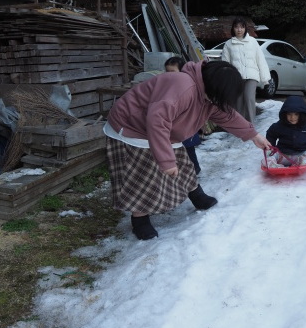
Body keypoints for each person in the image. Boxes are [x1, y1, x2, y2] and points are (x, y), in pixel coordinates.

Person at [105, 60, 272, 240]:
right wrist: (166, 161)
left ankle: (196, 194)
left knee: (183, 163)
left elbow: (226, 114)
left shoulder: (208, 94)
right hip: (133, 126)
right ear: (214, 86)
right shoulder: (182, 86)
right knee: (143, 174)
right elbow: (157, 120)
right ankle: (140, 219)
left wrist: (253, 135)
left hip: (166, 130)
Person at [220, 16, 271, 123]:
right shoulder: (228, 44)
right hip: (236, 78)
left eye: (241, 27)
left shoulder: (252, 42)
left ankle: (251, 125)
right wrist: (226, 80)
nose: (239, 30)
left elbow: (260, 60)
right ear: (233, 29)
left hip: (252, 76)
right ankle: (240, 126)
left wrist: (265, 78)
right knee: (238, 102)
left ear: (245, 28)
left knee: (249, 98)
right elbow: (225, 64)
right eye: (236, 27)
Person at [164, 56, 202, 175]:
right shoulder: (166, 84)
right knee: (177, 150)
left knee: (189, 149)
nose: (170, 75)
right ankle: (182, 171)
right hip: (175, 124)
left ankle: (195, 169)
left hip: (186, 124)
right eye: (167, 72)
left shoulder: (188, 86)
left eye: (173, 72)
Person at [265, 95, 306, 167]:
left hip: (302, 153)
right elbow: (271, 134)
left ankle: (300, 163)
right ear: (285, 114)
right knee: (269, 158)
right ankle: (275, 166)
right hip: (283, 154)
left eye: (296, 114)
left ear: (302, 114)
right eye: (289, 114)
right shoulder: (280, 125)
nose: (292, 117)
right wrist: (271, 148)